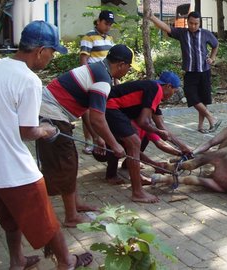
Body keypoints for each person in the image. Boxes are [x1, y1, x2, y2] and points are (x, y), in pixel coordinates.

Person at [0, 21, 93, 269]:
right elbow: (27, 131)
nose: (51, 57)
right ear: (40, 50)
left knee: (9, 217)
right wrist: (47, 129)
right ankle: (67, 261)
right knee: (45, 216)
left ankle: (18, 261)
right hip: (9, 164)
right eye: (52, 52)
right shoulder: (30, 80)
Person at [37, 44, 134, 227]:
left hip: (53, 112)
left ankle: (77, 204)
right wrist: (115, 145)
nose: (128, 71)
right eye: (129, 67)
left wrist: (98, 137)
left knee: (70, 160)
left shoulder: (98, 69)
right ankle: (71, 216)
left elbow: (87, 111)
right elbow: (98, 118)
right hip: (51, 114)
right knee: (66, 163)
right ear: (121, 65)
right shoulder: (103, 79)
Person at [100, 71, 191, 202]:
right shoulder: (155, 89)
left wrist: (182, 147)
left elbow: (162, 126)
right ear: (168, 86)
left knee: (134, 142)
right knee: (134, 142)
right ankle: (137, 193)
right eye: (174, 91)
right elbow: (144, 122)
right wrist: (159, 133)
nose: (173, 95)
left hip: (115, 109)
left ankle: (138, 179)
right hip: (109, 106)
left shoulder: (153, 94)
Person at [149, 11, 222, 134]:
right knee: (191, 97)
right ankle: (212, 118)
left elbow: (216, 45)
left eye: (196, 24)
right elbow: (166, 27)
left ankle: (200, 126)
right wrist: (152, 17)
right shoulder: (182, 33)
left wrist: (212, 58)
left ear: (200, 23)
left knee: (202, 100)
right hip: (190, 73)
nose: (193, 26)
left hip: (204, 71)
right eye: (191, 23)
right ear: (187, 22)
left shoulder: (205, 34)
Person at [79, 10, 116, 155]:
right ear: (98, 21)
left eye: (110, 24)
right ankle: (89, 141)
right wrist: (84, 76)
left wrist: (115, 79)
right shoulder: (88, 37)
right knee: (87, 110)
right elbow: (83, 58)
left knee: (100, 110)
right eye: (106, 23)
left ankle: (101, 138)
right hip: (91, 77)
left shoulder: (110, 38)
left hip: (106, 79)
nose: (108, 27)